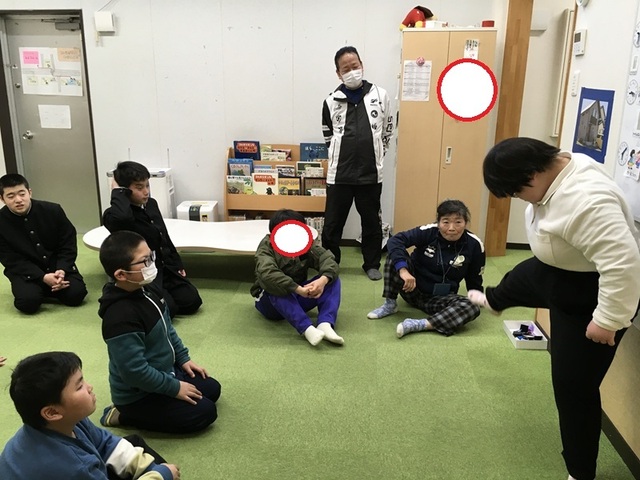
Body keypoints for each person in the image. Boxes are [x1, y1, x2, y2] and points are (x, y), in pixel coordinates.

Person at [469, 137, 640, 480]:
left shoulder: (588, 202)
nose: (519, 199)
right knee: (522, 276)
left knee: (572, 387)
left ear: (532, 174)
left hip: (590, 296)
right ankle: (495, 301)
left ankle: (580, 472)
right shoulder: (558, 164)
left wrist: (607, 320)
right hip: (558, 270)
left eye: (517, 192)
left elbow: (622, 266)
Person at [98, 230, 221, 434]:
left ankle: (169, 387)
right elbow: (134, 372)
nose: (152, 264)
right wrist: (174, 388)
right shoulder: (120, 317)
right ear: (120, 274)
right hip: (138, 395)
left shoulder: (148, 289)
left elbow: (167, 328)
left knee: (212, 389)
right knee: (205, 412)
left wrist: (183, 358)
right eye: (144, 261)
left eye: (151, 256)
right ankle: (124, 414)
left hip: (164, 372)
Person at [0, 351, 179, 480]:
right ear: (52, 412)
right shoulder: (75, 467)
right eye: (79, 387)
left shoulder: (64, 422)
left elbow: (105, 442)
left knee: (133, 443)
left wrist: (151, 468)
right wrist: (161, 475)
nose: (89, 387)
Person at [321, 46, 394, 281]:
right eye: (346, 69)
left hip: (370, 174)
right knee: (332, 224)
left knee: (371, 222)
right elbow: (328, 136)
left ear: (361, 65)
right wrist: (338, 156)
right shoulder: (331, 101)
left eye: (355, 66)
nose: (352, 71)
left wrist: (378, 155)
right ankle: (330, 264)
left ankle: (371, 264)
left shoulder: (380, 95)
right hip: (339, 175)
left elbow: (387, 131)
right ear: (338, 73)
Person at [367, 199, 485, 338]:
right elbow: (395, 240)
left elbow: (474, 277)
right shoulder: (429, 231)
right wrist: (403, 271)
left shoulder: (474, 244)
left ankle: (421, 324)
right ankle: (390, 304)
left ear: (465, 223)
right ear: (438, 222)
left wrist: (476, 298)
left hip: (439, 300)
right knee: (395, 257)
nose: (451, 228)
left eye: (458, 222)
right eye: (446, 222)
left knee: (471, 306)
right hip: (411, 288)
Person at [103, 161, 202, 317]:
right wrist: (117, 191)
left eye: (147, 185)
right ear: (125, 190)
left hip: (163, 267)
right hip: (143, 272)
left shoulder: (151, 205)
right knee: (169, 309)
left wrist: (177, 263)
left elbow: (164, 236)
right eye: (139, 187)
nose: (146, 192)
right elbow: (123, 218)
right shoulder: (114, 216)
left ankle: (159, 296)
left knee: (192, 301)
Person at [251, 209, 343, 347]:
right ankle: (307, 329)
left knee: (332, 278)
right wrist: (297, 289)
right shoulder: (267, 246)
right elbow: (267, 273)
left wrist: (322, 280)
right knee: (276, 286)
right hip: (270, 303)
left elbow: (327, 259)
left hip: (298, 295)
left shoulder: (304, 243)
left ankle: (325, 323)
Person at [0, 173, 87, 314]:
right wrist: (42, 277)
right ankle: (43, 288)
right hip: (26, 271)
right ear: (2, 199)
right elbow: (10, 259)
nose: (18, 200)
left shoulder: (53, 210)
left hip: (57, 266)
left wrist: (62, 269)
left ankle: (48, 287)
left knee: (76, 295)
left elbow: (68, 243)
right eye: (11, 196)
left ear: (29, 192)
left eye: (22, 194)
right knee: (27, 304)